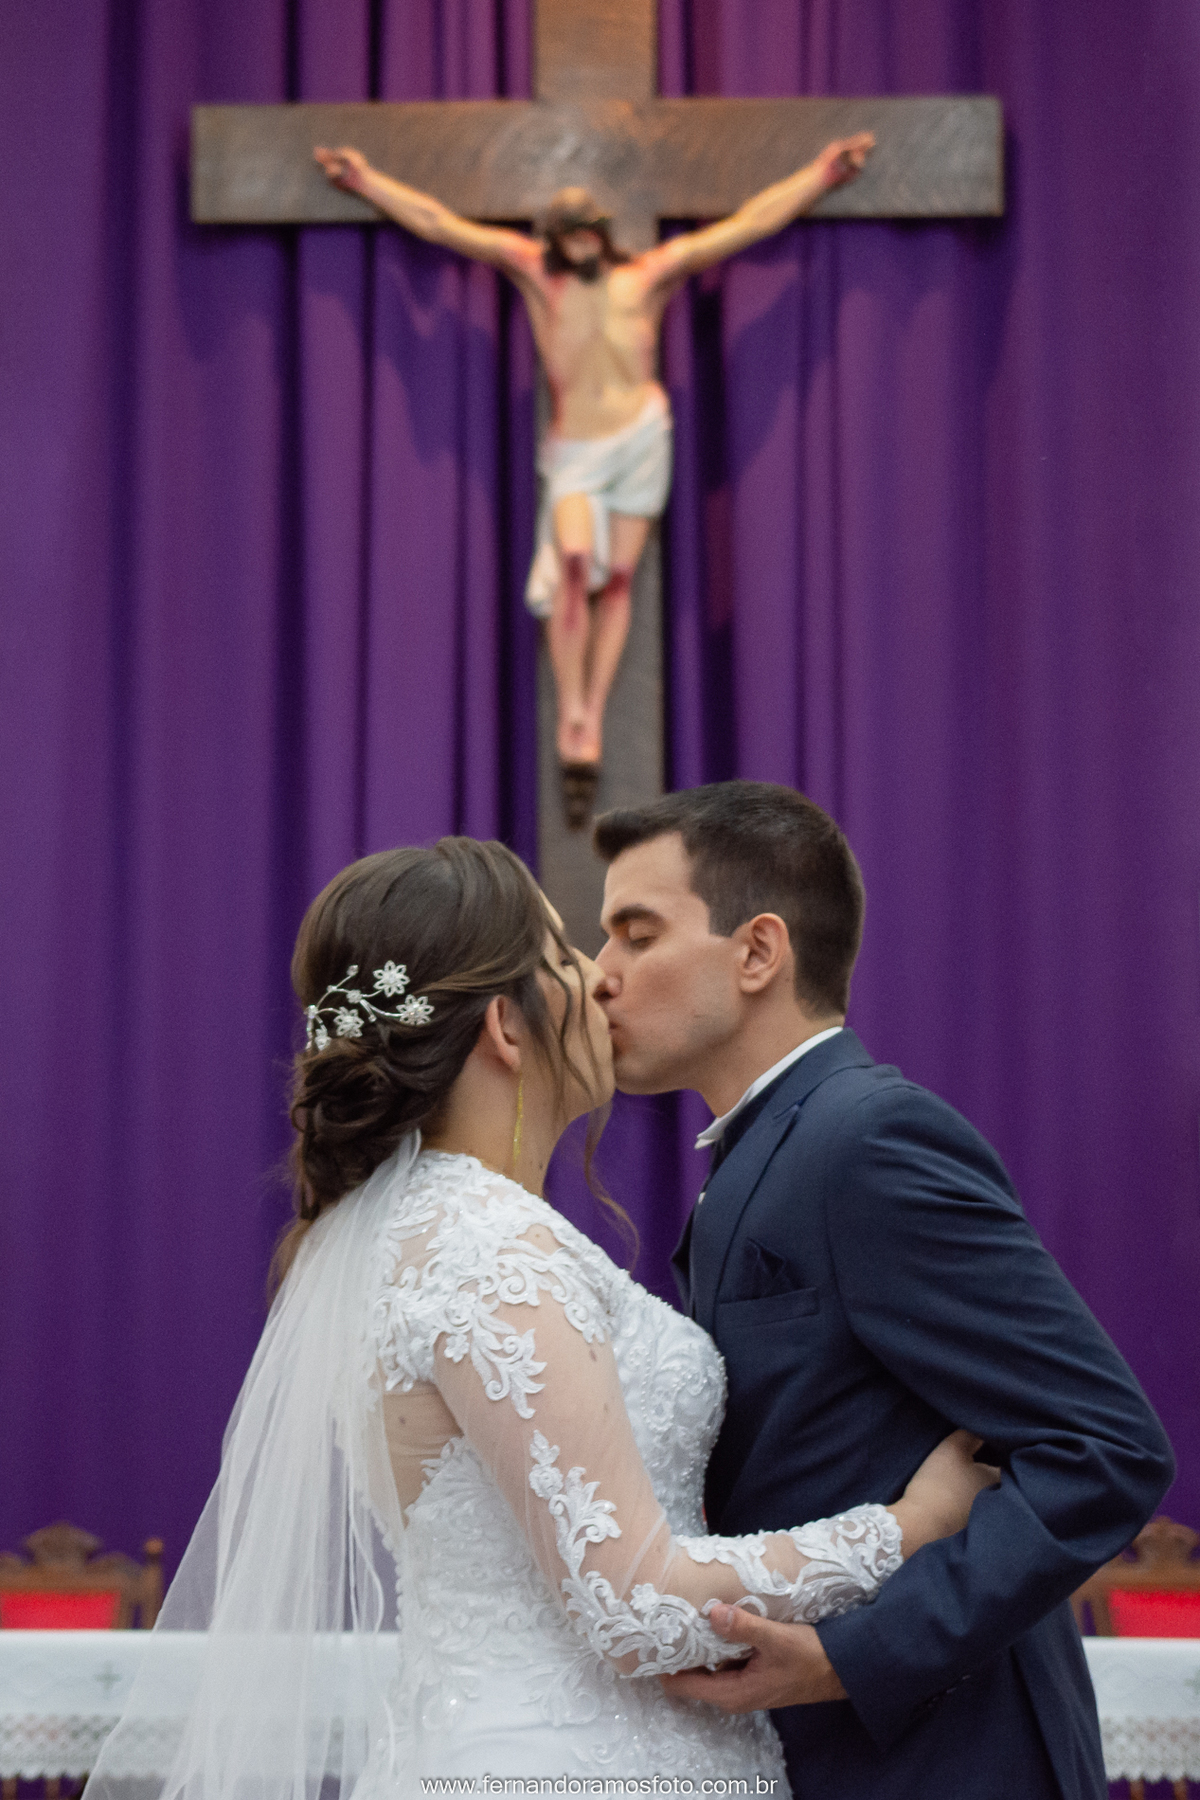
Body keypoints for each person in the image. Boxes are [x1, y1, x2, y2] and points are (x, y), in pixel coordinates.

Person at [86, 836, 995, 1799]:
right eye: (564, 956)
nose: (598, 982)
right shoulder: (486, 1250)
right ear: (505, 1032)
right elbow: (635, 1601)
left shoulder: (425, 1230)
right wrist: (914, 1524)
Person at [591, 781, 1176, 1800]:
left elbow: (1109, 1447)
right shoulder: (769, 1150)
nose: (599, 978)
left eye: (635, 935)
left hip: (950, 1761)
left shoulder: (867, 1140)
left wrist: (852, 1656)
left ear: (758, 953)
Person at [313, 139, 873, 825]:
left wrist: (820, 173)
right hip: (576, 449)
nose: (577, 243)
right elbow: (438, 223)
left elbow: (747, 225)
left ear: (600, 235)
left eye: (586, 232)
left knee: (619, 581)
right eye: (565, 234)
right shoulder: (532, 276)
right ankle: (571, 709)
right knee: (574, 561)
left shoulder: (646, 277)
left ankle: (592, 713)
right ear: (553, 240)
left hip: (639, 438)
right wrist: (368, 179)